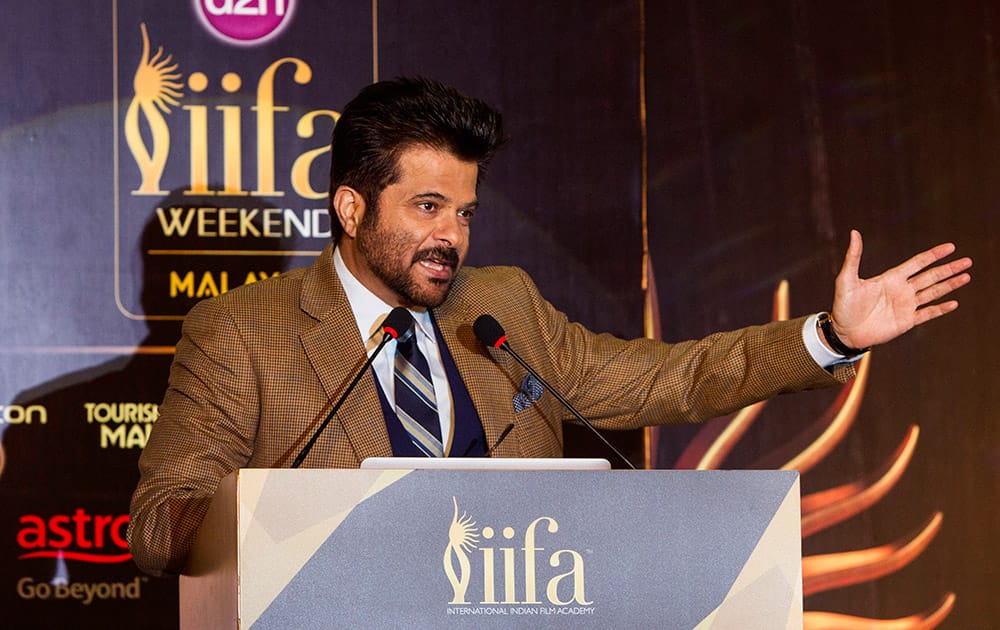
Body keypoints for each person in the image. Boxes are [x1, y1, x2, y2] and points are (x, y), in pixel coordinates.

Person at [127, 77, 972, 577]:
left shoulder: (505, 305)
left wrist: (831, 335)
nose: (451, 236)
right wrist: (278, 511)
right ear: (351, 207)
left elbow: (665, 378)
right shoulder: (240, 332)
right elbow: (161, 524)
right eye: (427, 207)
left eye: (463, 211)